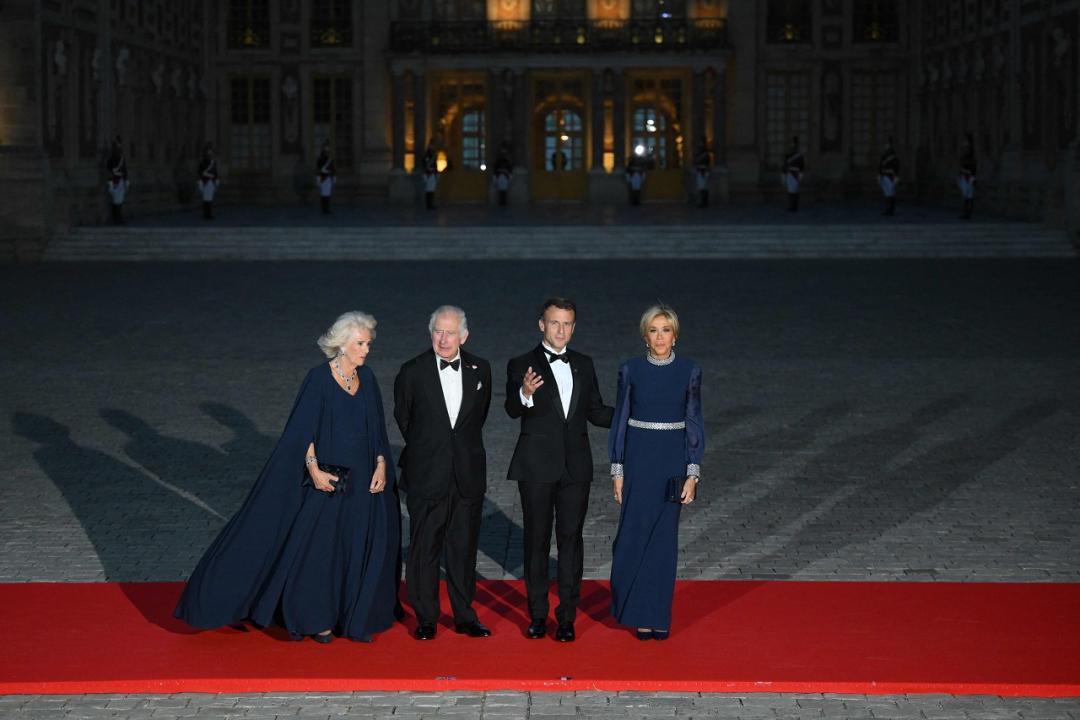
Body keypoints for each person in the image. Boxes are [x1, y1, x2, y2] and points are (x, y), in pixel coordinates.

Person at [174, 312, 400, 643]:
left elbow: (377, 430)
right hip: (329, 482)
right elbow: (301, 432)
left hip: (364, 484)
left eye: (368, 343)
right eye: (360, 343)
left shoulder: (368, 379)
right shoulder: (318, 380)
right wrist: (314, 469)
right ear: (341, 344)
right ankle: (316, 618)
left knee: (353, 549)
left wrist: (381, 464)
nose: (366, 350)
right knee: (320, 552)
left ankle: (348, 613)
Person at [505, 298, 614, 642]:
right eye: (555, 323)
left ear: (573, 327)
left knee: (571, 542)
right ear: (542, 324)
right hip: (535, 467)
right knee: (536, 542)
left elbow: (596, 411)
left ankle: (566, 617)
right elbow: (511, 408)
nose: (561, 330)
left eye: (567, 324)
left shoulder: (584, 363)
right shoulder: (522, 363)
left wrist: (632, 413)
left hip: (575, 469)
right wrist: (525, 392)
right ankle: (537, 615)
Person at [394, 306, 492, 640]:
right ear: (430, 332)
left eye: (451, 332)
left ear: (464, 336)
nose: (444, 338)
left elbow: (476, 420)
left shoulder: (482, 370)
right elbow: (405, 419)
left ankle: (465, 616)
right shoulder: (412, 371)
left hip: (466, 475)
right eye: (438, 331)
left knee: (463, 550)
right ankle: (426, 618)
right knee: (424, 550)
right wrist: (430, 451)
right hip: (427, 474)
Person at [609, 304, 703, 640]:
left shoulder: (689, 370)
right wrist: (617, 469)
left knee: (663, 541)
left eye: (666, 330)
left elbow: (693, 420)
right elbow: (620, 420)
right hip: (637, 459)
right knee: (632, 538)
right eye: (653, 330)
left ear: (674, 335)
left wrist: (693, 472)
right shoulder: (630, 370)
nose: (660, 336)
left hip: (671, 463)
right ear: (645, 336)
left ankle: (657, 615)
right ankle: (634, 611)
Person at [105, 135, 129, 225]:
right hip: (115, 178)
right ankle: (117, 218)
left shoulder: (120, 155)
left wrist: (126, 179)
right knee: (116, 199)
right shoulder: (113, 156)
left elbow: (124, 168)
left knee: (119, 199)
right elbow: (110, 167)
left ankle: (118, 217)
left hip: (118, 178)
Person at [878, 137, 900, 216]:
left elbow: (895, 165)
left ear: (888, 144)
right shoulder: (889, 154)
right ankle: (890, 210)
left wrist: (880, 174)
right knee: (890, 193)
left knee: (889, 193)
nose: (885, 145)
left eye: (886, 144)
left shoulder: (889, 154)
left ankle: (889, 210)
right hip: (889, 175)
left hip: (889, 175)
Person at [957, 132, 977, 220]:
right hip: (965, 176)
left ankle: (967, 213)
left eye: (965, 140)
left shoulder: (970, 152)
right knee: (966, 196)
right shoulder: (965, 151)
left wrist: (965, 171)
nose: (963, 142)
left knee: (968, 196)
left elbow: (971, 165)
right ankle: (966, 213)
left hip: (969, 176)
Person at [783, 136, 805, 212]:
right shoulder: (788, 154)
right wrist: (784, 173)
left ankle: (794, 207)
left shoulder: (799, 155)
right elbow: (785, 164)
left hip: (796, 173)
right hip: (790, 173)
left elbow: (802, 165)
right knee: (791, 191)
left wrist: (801, 174)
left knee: (795, 191)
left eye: (794, 143)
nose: (793, 145)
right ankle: (792, 207)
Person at [197, 142, 219, 220]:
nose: (210, 152)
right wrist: (201, 181)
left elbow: (215, 172)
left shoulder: (213, 162)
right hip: (205, 181)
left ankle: (209, 213)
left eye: (211, 151)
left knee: (210, 199)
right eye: (208, 151)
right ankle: (207, 214)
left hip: (211, 181)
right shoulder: (202, 162)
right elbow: (200, 172)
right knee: (206, 198)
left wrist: (216, 180)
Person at [315, 141, 336, 215]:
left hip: (328, 177)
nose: (327, 149)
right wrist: (318, 178)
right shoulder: (320, 159)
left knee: (328, 194)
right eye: (326, 147)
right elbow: (318, 169)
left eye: (328, 147)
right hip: (323, 178)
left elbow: (333, 169)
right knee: (323, 194)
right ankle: (323, 208)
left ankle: (326, 208)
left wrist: (333, 177)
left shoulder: (330, 159)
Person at [494, 143, 513, 207]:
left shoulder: (507, 161)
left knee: (504, 189)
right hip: (500, 175)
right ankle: (501, 201)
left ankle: (503, 201)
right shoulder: (498, 161)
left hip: (504, 176)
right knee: (501, 189)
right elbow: (495, 168)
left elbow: (510, 169)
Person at [694, 142, 711, 208]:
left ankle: (704, 202)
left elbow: (706, 164)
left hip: (703, 172)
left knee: (704, 188)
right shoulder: (701, 155)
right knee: (702, 188)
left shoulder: (705, 155)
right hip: (700, 171)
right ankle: (703, 202)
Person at [422, 144, 438, 210]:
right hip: (428, 174)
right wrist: (431, 170)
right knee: (429, 190)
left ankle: (430, 204)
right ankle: (429, 205)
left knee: (431, 190)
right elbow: (425, 165)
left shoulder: (433, 155)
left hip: (432, 174)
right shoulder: (427, 156)